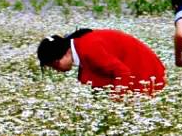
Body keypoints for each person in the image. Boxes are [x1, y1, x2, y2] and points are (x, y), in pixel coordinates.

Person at [37, 28, 166, 95]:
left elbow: (123, 72)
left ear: (64, 54)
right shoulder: (80, 46)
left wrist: (117, 105)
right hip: (136, 68)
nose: (57, 70)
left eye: (55, 65)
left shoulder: (89, 49)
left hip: (146, 70)